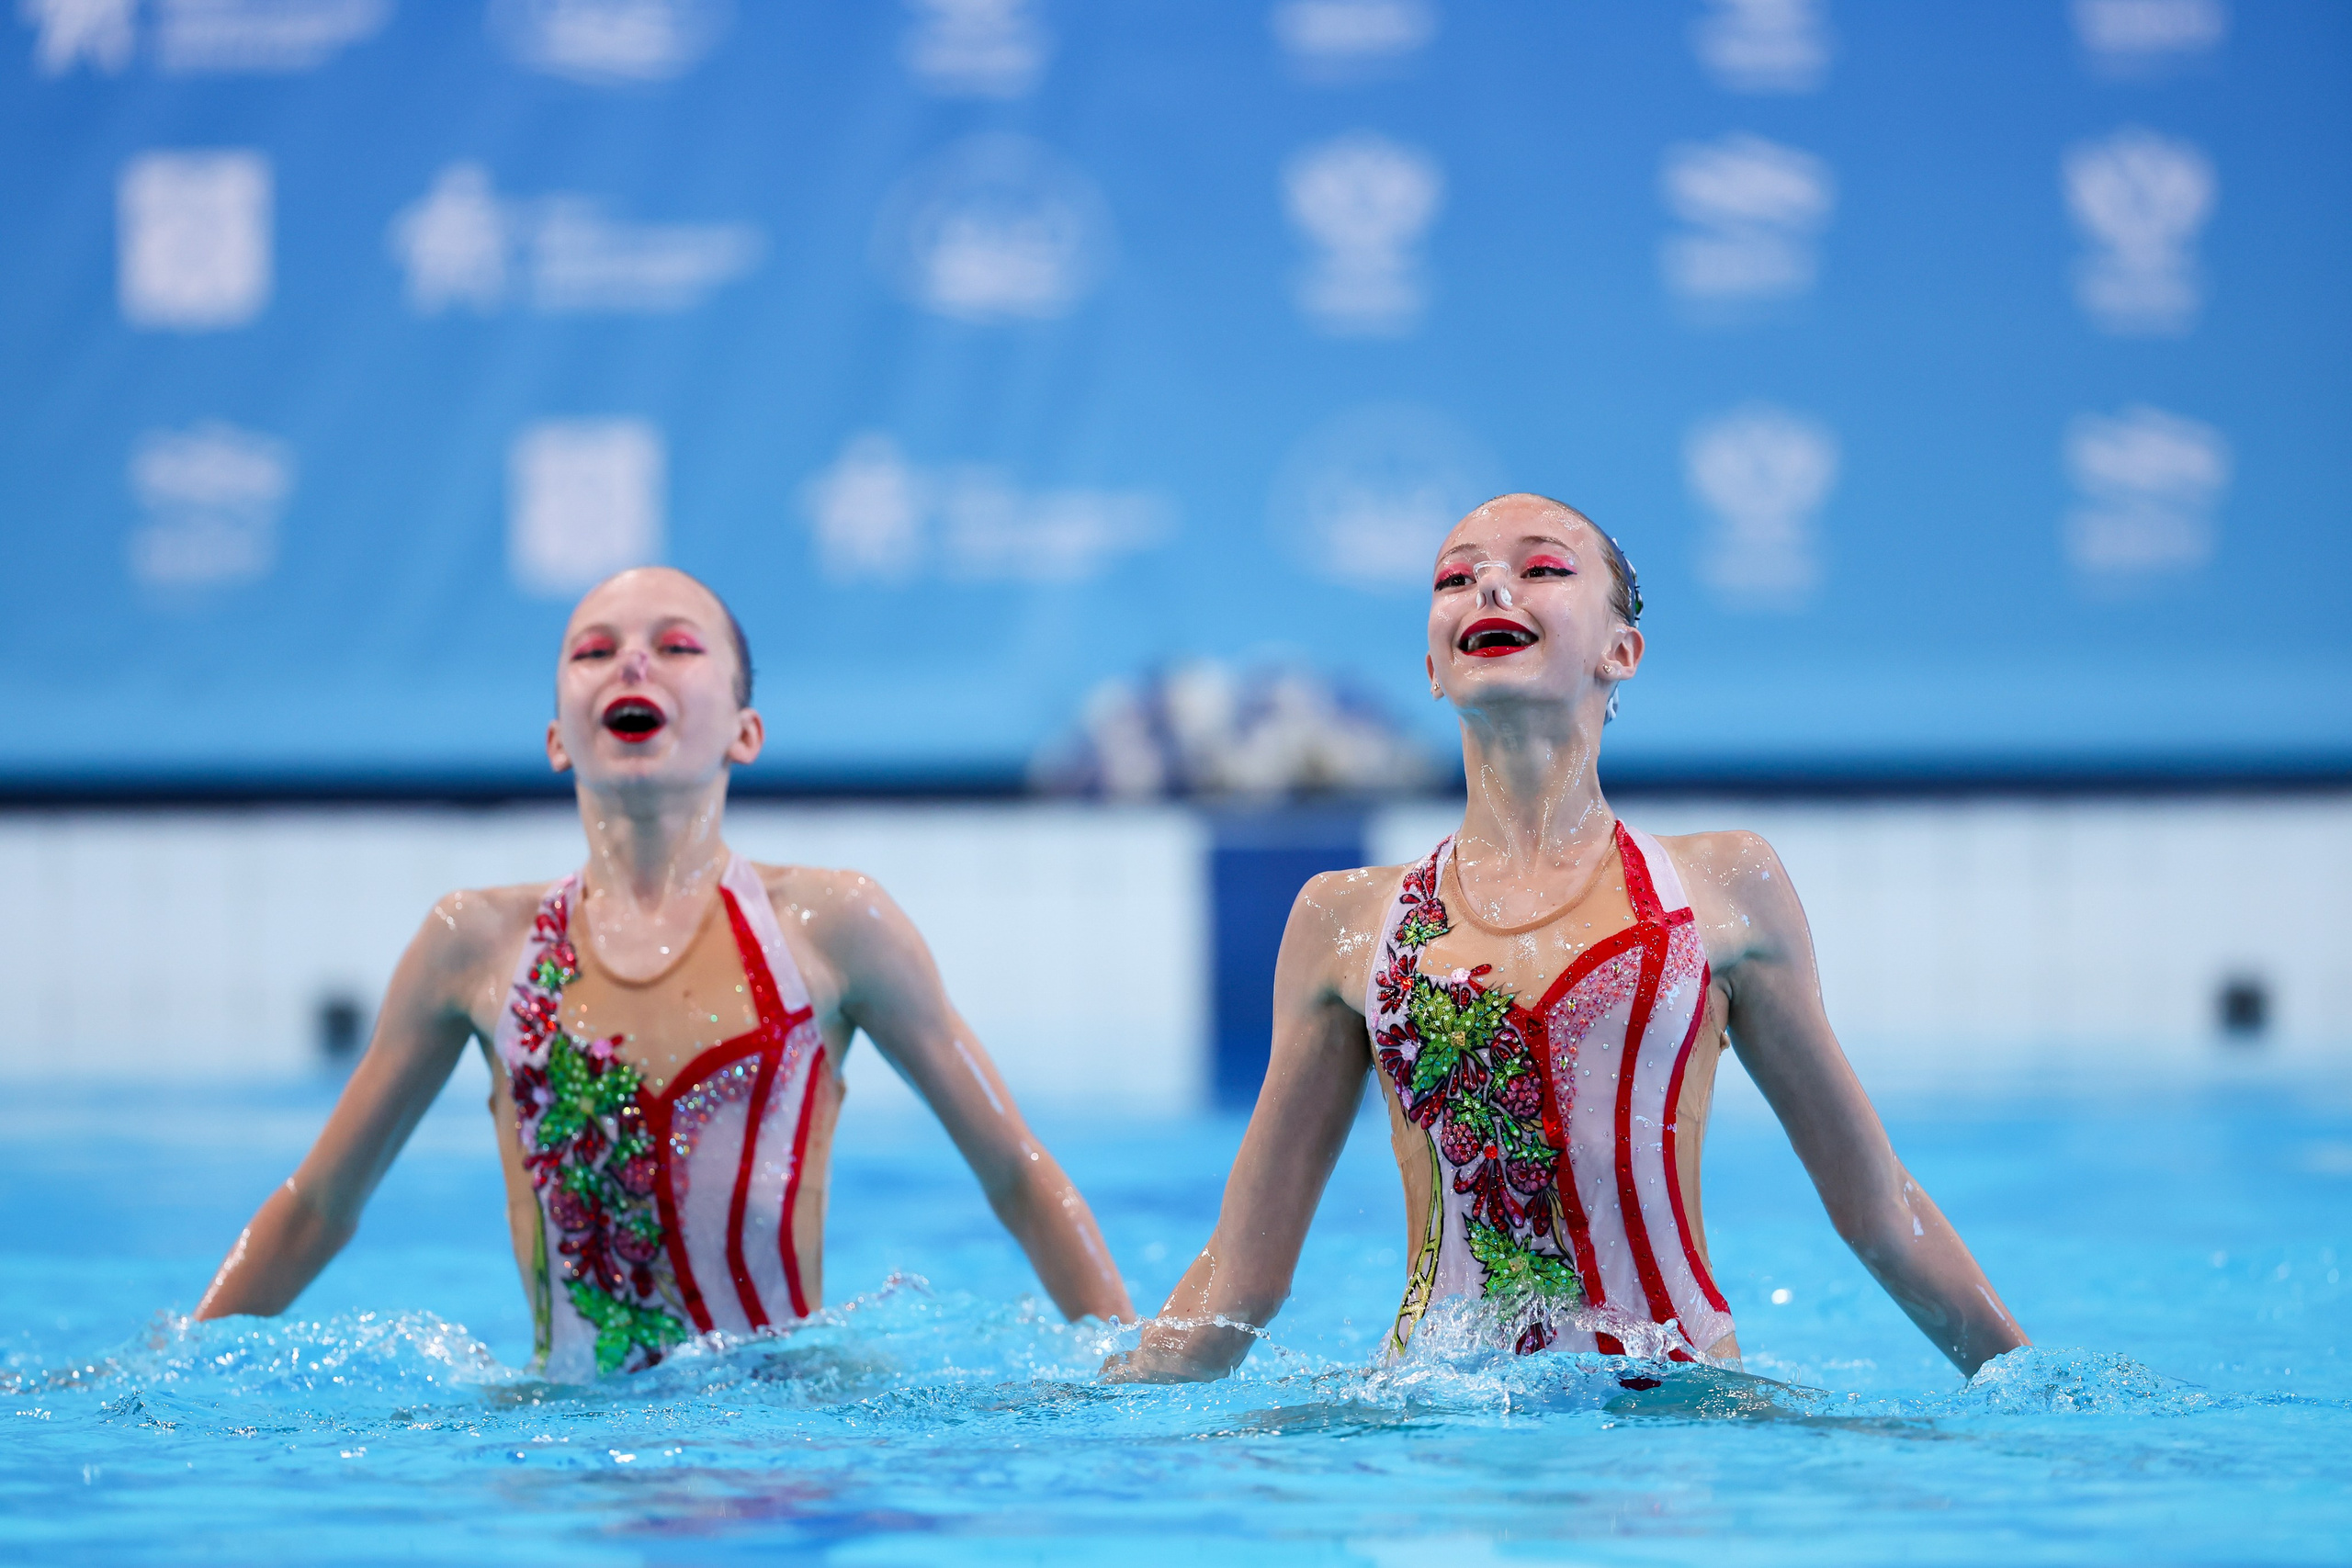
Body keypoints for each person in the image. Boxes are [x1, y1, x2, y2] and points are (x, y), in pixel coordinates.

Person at [1109, 494, 2027, 1382]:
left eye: (1540, 568)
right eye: (1455, 580)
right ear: (1432, 667)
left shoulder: (1723, 887)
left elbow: (1878, 1210)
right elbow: (1242, 1273)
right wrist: (1097, 1419)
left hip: (1681, 1420)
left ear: (1620, 651)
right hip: (1436, 1435)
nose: (1490, 591)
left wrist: (2030, 1394)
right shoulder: (1344, 922)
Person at [197, 567, 1133, 1378]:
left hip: (778, 1431)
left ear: (745, 731)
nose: (632, 663)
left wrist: (1130, 1362)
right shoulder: (474, 946)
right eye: (593, 651)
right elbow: (317, 1204)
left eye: (676, 646)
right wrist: (174, 1375)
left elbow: (1015, 1171)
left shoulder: (832, 928)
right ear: (558, 736)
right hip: (565, 1448)